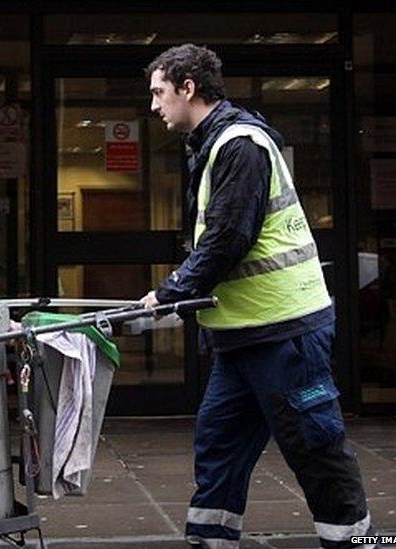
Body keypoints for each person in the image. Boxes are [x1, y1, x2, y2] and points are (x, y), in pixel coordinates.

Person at [141, 44, 375, 549]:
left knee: (313, 445)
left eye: (160, 93)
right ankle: (210, 540)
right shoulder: (212, 145)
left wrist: (172, 291)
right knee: (218, 446)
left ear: (188, 88)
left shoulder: (239, 145)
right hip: (242, 336)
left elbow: (228, 238)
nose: (155, 106)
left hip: (284, 332)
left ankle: (351, 540)